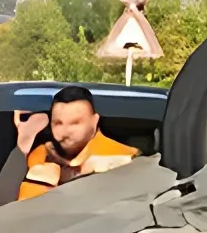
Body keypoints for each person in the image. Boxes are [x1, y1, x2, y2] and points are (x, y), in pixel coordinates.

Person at [8, 83, 139, 200]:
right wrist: (24, 142)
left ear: (94, 121)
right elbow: (2, 206)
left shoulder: (126, 158)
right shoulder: (38, 156)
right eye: (58, 123)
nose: (65, 131)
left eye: (75, 123)